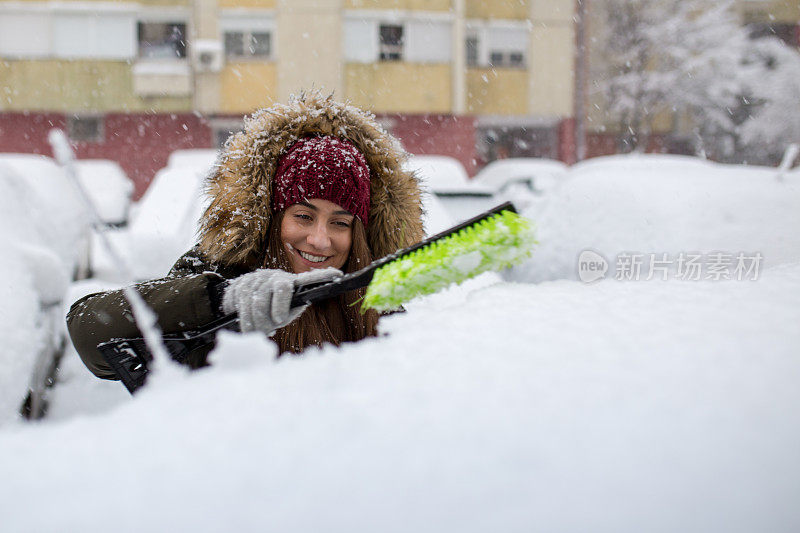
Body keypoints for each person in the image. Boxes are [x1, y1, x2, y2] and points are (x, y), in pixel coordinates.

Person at [67, 92, 424, 380]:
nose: (319, 239)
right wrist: (222, 301)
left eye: (340, 223)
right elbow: (88, 331)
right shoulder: (219, 275)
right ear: (272, 218)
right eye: (303, 216)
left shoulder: (378, 305)